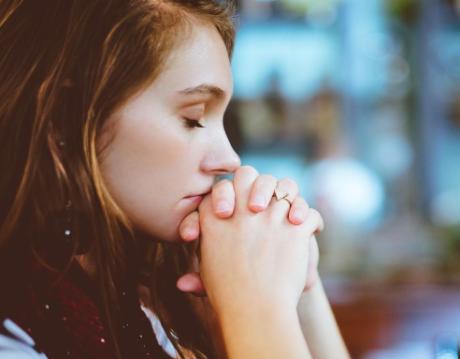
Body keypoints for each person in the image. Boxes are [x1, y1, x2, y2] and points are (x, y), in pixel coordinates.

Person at [0, 0, 350, 358]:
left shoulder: (145, 299)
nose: (229, 160)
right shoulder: (15, 332)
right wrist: (257, 305)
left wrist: (298, 288)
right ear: (66, 117)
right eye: (194, 118)